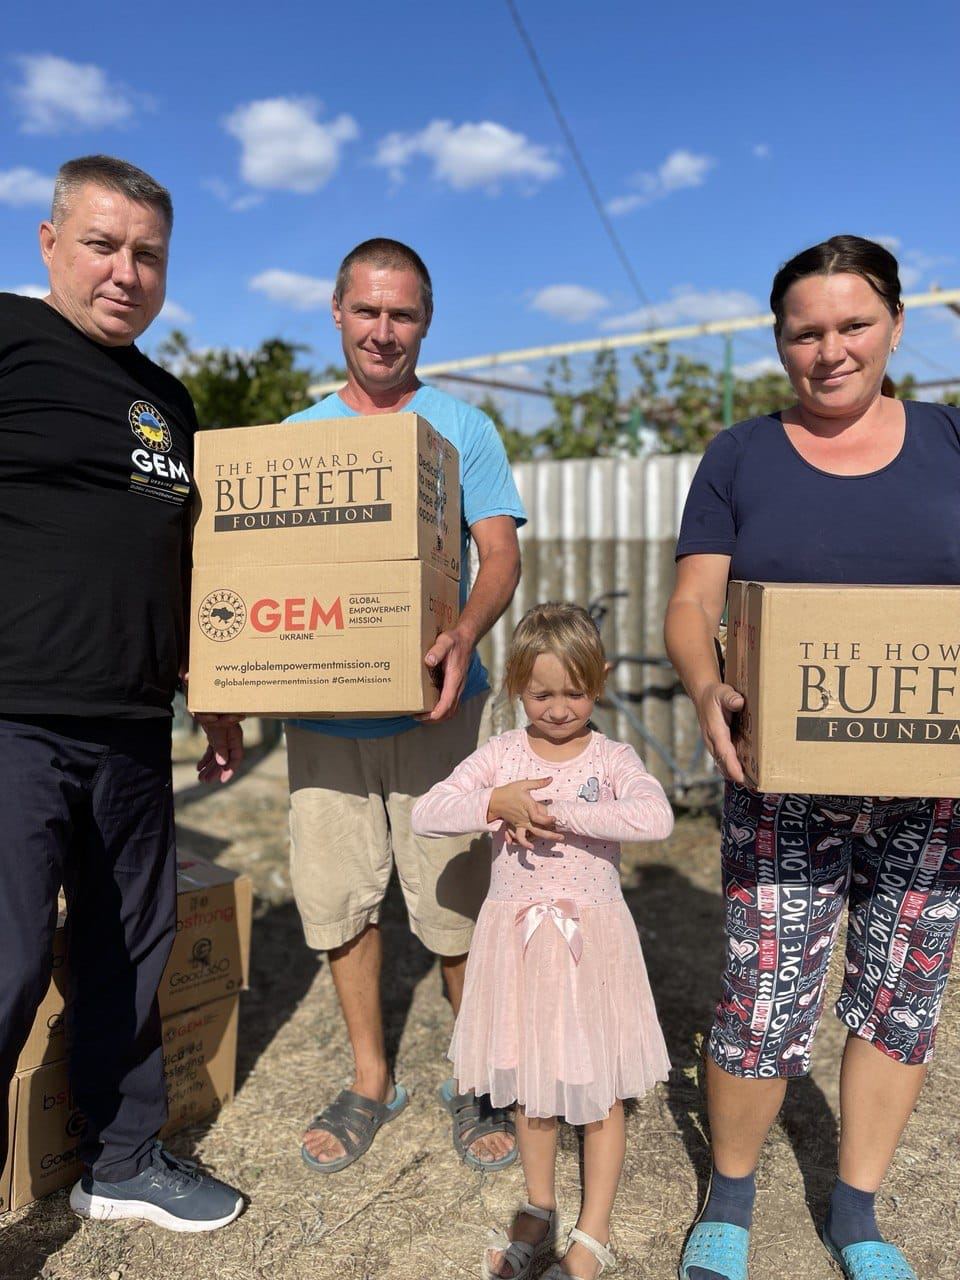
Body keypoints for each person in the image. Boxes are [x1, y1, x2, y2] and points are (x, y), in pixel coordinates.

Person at [666, 235, 960, 1280]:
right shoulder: (741, 454)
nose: (830, 350)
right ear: (779, 340)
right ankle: (731, 1194)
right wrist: (706, 685)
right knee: (763, 993)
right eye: (806, 332)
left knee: (900, 993)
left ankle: (858, 1211)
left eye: (854, 325)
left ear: (896, 325)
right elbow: (693, 601)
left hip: (931, 789)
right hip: (779, 782)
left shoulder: (952, 440)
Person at [0, 155, 243, 1231]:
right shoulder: (8, 337)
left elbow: (182, 562)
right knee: (6, 963)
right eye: (102, 245)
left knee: (131, 949)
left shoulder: (168, 400)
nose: (125, 272)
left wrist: (216, 687)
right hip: (14, 716)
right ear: (49, 243)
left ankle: (123, 1159)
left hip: (137, 723)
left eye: (148, 254)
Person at [280, 239, 526, 1173]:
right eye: (368, 311)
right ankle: (370, 1078)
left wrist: (463, 632)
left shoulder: (463, 429)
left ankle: (476, 1077)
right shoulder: (296, 437)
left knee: (456, 904)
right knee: (339, 901)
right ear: (337, 313)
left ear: (426, 321)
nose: (384, 332)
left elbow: (499, 553)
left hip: (437, 715)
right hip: (323, 724)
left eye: (403, 314)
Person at [412, 602, 674, 1280]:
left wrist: (560, 811)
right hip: (519, 948)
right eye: (541, 694)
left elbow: (656, 816)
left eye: (575, 693)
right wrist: (494, 802)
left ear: (601, 679)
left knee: (599, 1087)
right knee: (531, 1083)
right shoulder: (501, 757)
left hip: (592, 946)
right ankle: (540, 1207)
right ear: (515, 686)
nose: (559, 709)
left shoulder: (612, 758)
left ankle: (593, 1230)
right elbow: (426, 811)